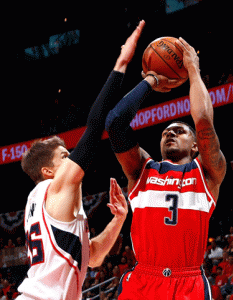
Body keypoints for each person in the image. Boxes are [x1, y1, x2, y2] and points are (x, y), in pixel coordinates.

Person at [16, 20, 145, 300]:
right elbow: (96, 125)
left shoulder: (50, 207)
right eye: (64, 156)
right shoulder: (54, 188)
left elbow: (94, 256)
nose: (72, 159)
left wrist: (118, 219)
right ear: (48, 170)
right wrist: (121, 64)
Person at [105, 37, 227, 299]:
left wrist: (193, 69)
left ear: (196, 145)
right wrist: (151, 80)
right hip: (143, 280)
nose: (170, 133)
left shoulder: (206, 173)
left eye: (180, 131)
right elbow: (114, 122)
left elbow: (204, 120)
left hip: (188, 282)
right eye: (165, 132)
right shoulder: (142, 170)